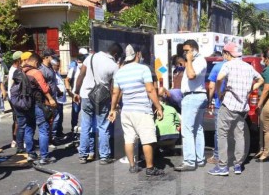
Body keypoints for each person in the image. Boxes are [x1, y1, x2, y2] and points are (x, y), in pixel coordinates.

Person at [109, 45, 165, 176]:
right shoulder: (143, 69)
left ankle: (132, 166)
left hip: (126, 110)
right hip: (142, 110)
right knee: (147, 138)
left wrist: (112, 109)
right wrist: (158, 107)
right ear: (137, 54)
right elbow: (150, 89)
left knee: (129, 139)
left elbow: (115, 93)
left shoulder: (119, 72)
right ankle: (150, 168)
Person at [208, 42, 263, 176]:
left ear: (227, 53)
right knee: (239, 135)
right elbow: (261, 79)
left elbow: (219, 78)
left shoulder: (228, 65)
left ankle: (222, 166)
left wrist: (220, 92)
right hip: (242, 107)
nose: (223, 57)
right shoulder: (248, 67)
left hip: (228, 106)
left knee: (222, 135)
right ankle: (238, 165)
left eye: (224, 54)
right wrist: (251, 89)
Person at [73, 42, 122, 164]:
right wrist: (114, 104)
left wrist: (76, 92)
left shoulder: (90, 57)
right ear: (115, 54)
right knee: (103, 127)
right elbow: (114, 88)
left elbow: (81, 75)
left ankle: (83, 155)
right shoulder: (113, 66)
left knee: (85, 126)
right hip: (102, 99)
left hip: (86, 96)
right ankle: (104, 156)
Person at [175, 39, 207, 171]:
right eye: (184, 51)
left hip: (193, 96)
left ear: (194, 49)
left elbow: (191, 75)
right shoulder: (196, 61)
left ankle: (189, 161)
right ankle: (199, 159)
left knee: (187, 129)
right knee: (197, 129)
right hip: (196, 96)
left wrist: (188, 60)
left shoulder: (199, 61)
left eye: (187, 50)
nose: (185, 53)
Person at [23, 52, 57, 165]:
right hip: (38, 104)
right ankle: (44, 157)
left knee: (29, 128)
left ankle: (31, 154)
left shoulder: (21, 71)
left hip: (26, 104)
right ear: (36, 62)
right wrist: (50, 99)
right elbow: (44, 88)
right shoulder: (36, 72)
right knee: (43, 129)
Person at [206, 52, 229, 164]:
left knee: (219, 131)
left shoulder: (217, 67)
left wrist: (210, 100)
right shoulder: (238, 65)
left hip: (220, 104)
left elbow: (211, 86)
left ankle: (217, 156)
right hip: (235, 104)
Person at [66, 48, 89, 136]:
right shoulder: (74, 68)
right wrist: (70, 92)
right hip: (76, 95)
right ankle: (74, 130)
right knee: (75, 113)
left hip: (85, 95)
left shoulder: (88, 68)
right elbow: (67, 80)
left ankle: (84, 131)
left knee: (85, 114)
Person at [39, 48, 59, 142]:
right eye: (52, 57)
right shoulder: (42, 69)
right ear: (46, 57)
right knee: (47, 121)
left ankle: (50, 137)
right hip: (47, 99)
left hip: (53, 97)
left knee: (53, 119)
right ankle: (46, 139)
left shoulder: (50, 67)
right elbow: (43, 86)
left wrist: (58, 90)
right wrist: (48, 99)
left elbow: (52, 82)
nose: (53, 59)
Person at [7, 51, 23, 150]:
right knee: (18, 120)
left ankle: (16, 139)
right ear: (18, 60)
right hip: (15, 98)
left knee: (17, 119)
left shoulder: (15, 69)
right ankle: (16, 139)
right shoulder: (14, 71)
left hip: (14, 97)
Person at [51, 57, 66, 143]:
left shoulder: (57, 72)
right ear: (53, 65)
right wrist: (59, 91)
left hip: (60, 99)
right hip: (56, 99)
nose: (59, 67)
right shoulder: (52, 73)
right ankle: (53, 136)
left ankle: (58, 133)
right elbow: (53, 84)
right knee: (56, 118)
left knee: (59, 117)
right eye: (57, 65)